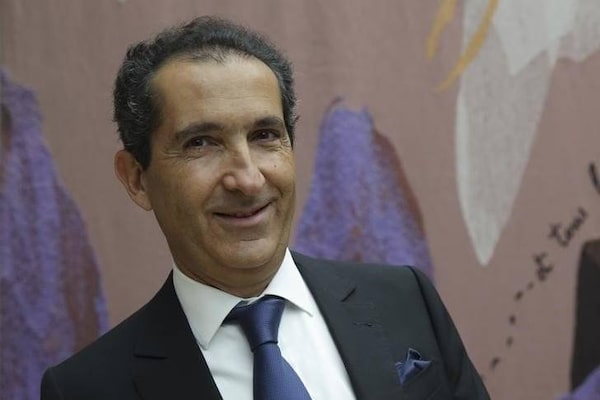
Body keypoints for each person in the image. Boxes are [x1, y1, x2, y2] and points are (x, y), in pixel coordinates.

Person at [40, 16, 490, 400]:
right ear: (137, 178)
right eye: (202, 143)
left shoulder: (406, 302)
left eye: (264, 136)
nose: (248, 179)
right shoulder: (88, 388)